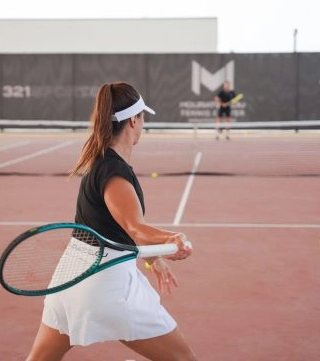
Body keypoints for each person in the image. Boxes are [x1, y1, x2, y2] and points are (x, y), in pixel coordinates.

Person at [26, 82, 196, 361]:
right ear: (133, 120)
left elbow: (117, 226)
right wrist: (171, 238)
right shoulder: (113, 171)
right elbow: (134, 227)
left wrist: (155, 259)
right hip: (106, 283)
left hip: (70, 281)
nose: (143, 125)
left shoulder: (104, 162)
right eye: (142, 118)